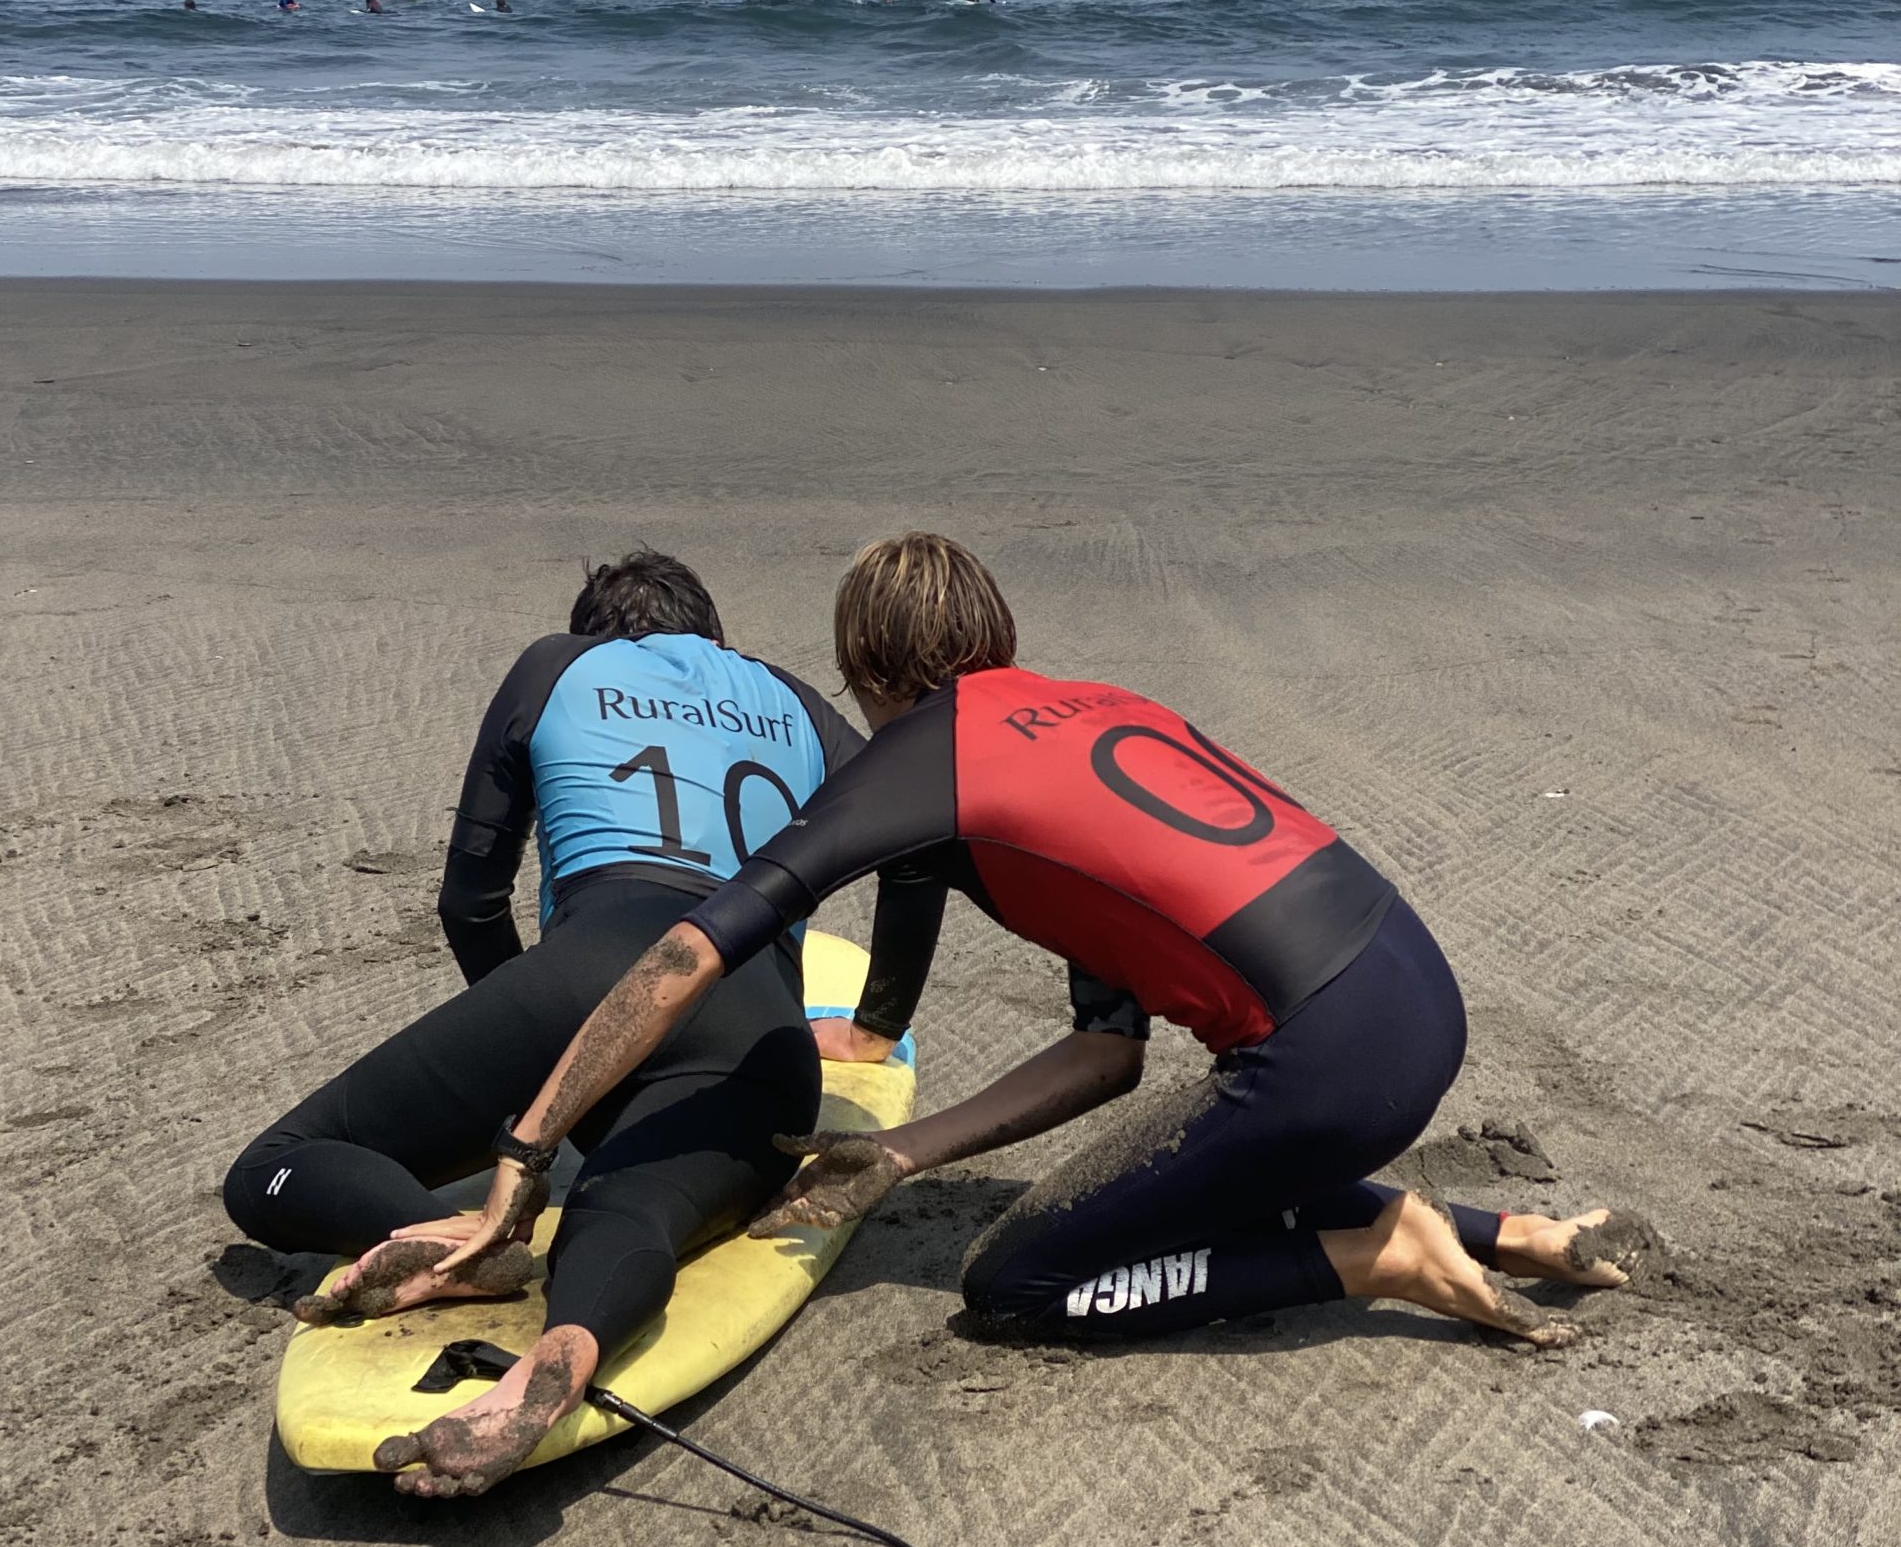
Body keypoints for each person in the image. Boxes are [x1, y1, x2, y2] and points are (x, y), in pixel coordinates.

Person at [431, 535, 1657, 1488]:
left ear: (871, 676)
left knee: (1022, 1278)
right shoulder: (1094, 710)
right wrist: (903, 1151)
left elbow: (692, 946)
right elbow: (1108, 1053)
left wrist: (525, 1144)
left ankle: (1372, 1255)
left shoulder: (919, 752)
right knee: (1192, 1164)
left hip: (1322, 1067)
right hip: (1413, 997)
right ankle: (1520, 1234)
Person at [224, 549, 919, 1498]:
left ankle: (445, 1235)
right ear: (716, 638)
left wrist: (541, 1061)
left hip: (589, 975)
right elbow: (918, 853)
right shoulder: (798, 702)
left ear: (599, 629)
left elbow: (470, 901)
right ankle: (565, 1349)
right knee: (632, 1208)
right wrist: (875, 1030)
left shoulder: (558, 663)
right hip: (765, 1033)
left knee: (274, 1166)